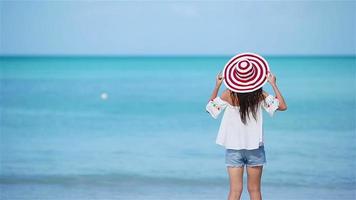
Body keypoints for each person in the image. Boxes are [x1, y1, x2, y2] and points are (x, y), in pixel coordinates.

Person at [206, 71, 287, 200]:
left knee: (234, 191)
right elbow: (282, 106)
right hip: (255, 149)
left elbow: (210, 108)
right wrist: (273, 84)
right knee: (254, 190)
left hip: (234, 149)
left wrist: (217, 86)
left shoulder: (228, 94)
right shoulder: (259, 95)